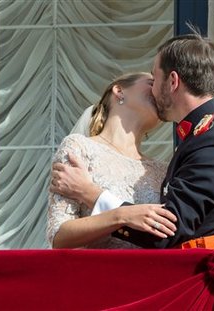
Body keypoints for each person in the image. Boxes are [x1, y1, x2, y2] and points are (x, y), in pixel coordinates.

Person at [51, 31, 214, 249]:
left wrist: (90, 193)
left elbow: (168, 230)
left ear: (173, 81)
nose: (152, 89)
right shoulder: (203, 135)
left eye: (154, 77)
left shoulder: (213, 139)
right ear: (118, 92)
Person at [47, 72, 177, 249]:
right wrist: (122, 215)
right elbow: (58, 235)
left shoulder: (162, 170)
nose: (158, 90)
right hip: (100, 272)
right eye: (151, 82)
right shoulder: (79, 148)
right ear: (119, 91)